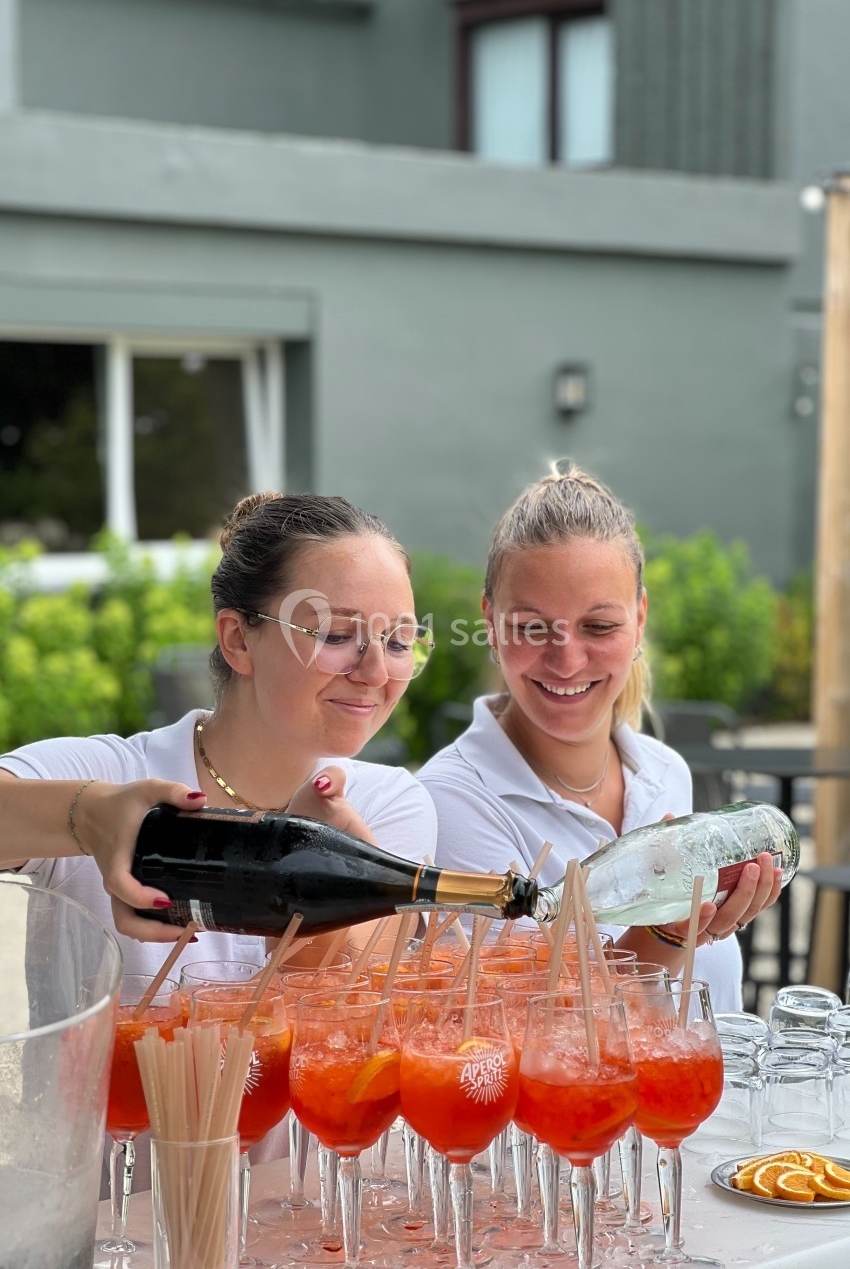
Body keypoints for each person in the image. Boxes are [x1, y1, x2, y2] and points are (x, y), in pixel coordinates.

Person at [0, 492, 438, 1178]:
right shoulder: (113, 775)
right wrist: (85, 816)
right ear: (238, 639)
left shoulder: (389, 806)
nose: (376, 671)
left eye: (398, 640)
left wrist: (321, 885)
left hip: (290, 1222)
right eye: (335, 634)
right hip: (104, 1228)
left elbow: (333, 1018)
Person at [418, 466, 781, 1011]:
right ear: (490, 624)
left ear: (639, 619)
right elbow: (526, 1033)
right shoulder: (451, 802)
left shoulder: (663, 772)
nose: (567, 660)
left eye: (599, 626)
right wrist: (667, 934)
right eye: (533, 627)